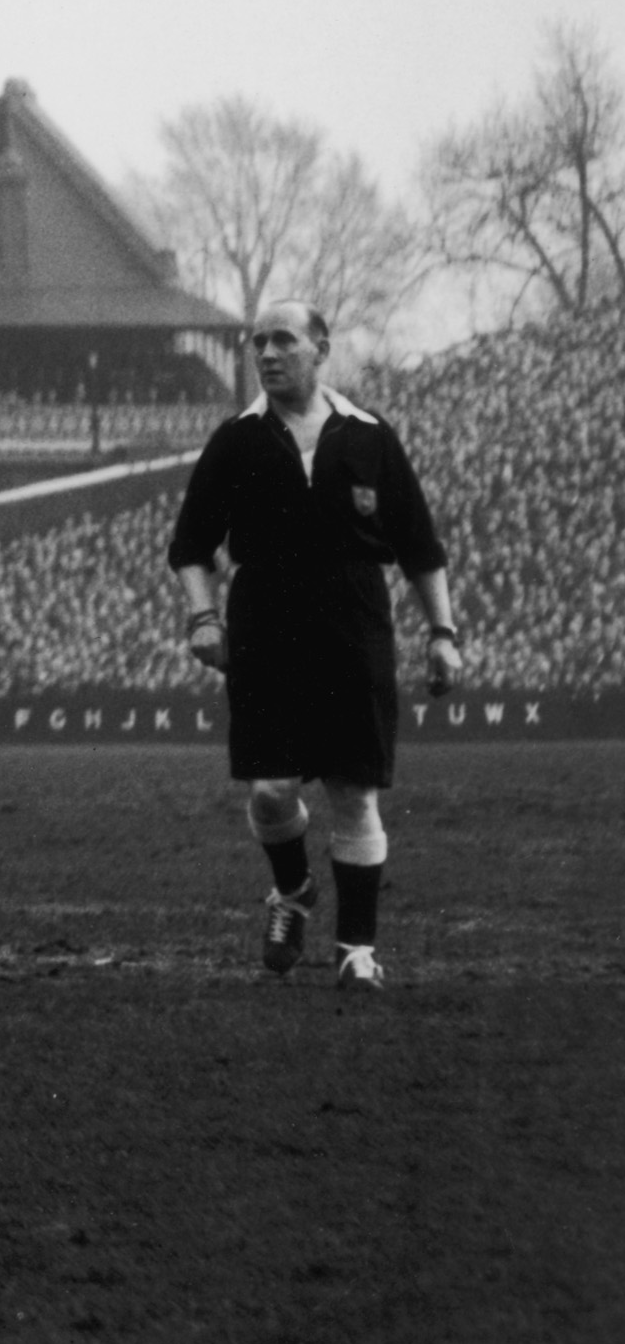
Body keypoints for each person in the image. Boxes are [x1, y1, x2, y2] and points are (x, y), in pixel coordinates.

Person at [169, 301, 465, 991]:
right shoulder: (235, 441)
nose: (267, 354)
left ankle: (356, 951)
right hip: (265, 622)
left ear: (321, 349)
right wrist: (203, 617)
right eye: (258, 343)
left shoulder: (370, 436)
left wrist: (443, 634)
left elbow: (420, 548)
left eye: (283, 340)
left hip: (354, 622)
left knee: (353, 793)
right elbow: (189, 546)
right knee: (272, 792)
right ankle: (294, 889)